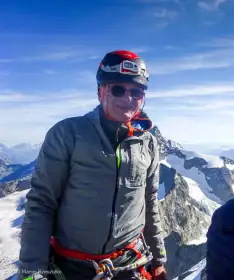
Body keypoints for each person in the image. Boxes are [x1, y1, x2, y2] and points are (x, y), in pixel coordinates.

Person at [17, 50, 167, 280]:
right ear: (100, 92)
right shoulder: (68, 134)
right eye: (118, 89)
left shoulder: (148, 144)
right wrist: (31, 272)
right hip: (72, 268)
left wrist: (158, 260)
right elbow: (41, 203)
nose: (128, 98)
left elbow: (149, 204)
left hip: (129, 266)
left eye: (136, 91)